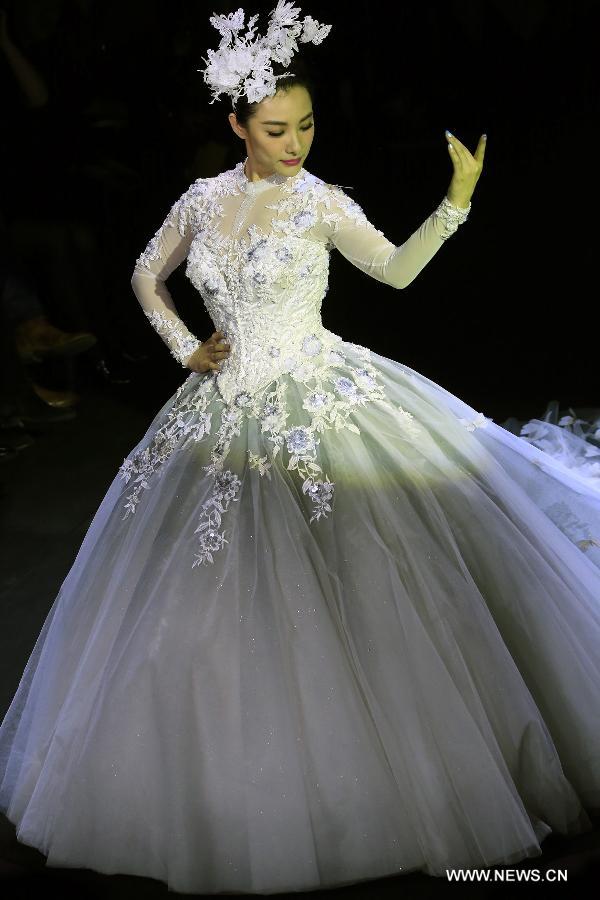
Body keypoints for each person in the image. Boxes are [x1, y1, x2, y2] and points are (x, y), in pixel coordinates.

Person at [1, 3, 600, 894]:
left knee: (361, 568)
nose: (297, 142)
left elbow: (395, 270)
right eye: (277, 128)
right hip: (216, 406)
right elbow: (142, 273)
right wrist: (184, 348)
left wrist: (458, 201)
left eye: (308, 124)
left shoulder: (320, 201)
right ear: (236, 123)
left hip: (319, 391)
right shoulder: (204, 199)